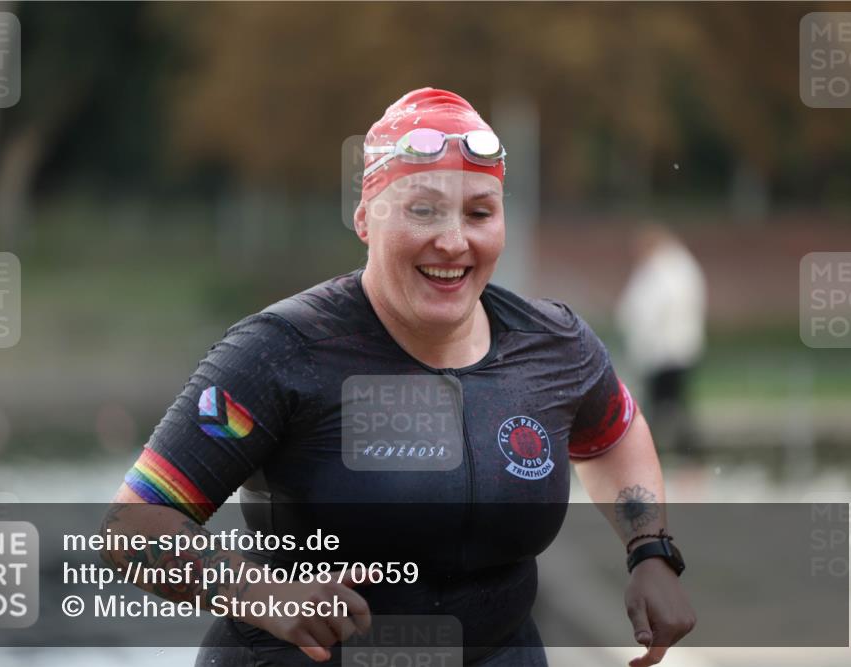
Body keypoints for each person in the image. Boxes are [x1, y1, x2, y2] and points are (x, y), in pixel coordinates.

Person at [103, 88, 695, 666]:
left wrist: (650, 553)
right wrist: (261, 595)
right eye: (422, 210)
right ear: (365, 217)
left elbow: (614, 433)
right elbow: (131, 528)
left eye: (479, 213)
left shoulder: (552, 344)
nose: (454, 240)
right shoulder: (279, 353)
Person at [616, 224, 707, 455]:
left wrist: (643, 341)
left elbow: (649, 309)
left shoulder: (664, 270)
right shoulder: (681, 267)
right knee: (672, 406)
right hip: (677, 350)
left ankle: (662, 456)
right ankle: (683, 457)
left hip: (664, 353)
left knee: (660, 408)